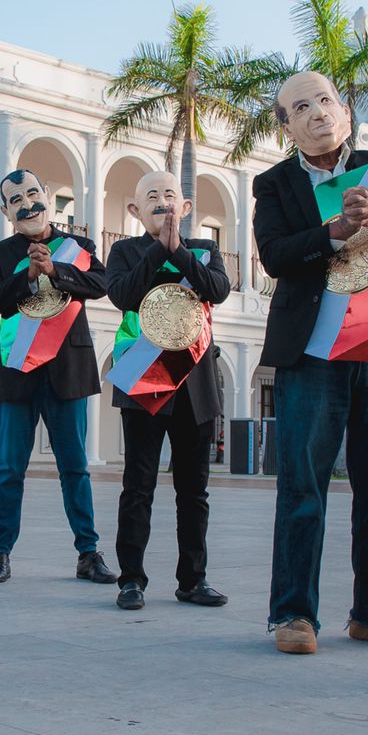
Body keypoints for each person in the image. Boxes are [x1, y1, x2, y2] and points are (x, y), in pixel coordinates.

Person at [253, 70, 368, 655]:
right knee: (303, 484)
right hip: (312, 354)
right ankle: (293, 615)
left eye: (325, 101)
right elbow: (275, 255)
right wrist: (331, 232)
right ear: (286, 125)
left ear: (345, 109)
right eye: (300, 107)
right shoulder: (274, 184)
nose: (317, 113)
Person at [0, 168, 115, 585]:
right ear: (5, 210)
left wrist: (56, 270)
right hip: (18, 370)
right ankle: (0, 553)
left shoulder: (80, 246)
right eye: (15, 200)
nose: (27, 204)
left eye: (33, 193)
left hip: (68, 372)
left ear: (48, 196)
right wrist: (28, 275)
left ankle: (88, 553)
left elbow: (101, 284)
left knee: (75, 467)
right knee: (9, 469)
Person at [104, 171, 231, 611]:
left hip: (195, 384)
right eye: (151, 196)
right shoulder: (124, 251)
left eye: (170, 195)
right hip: (143, 379)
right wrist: (159, 250)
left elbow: (218, 289)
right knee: (138, 486)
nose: (162, 201)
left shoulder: (205, 250)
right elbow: (123, 295)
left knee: (193, 490)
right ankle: (131, 579)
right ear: (136, 211)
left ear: (186, 208)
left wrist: (180, 251)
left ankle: (192, 580)